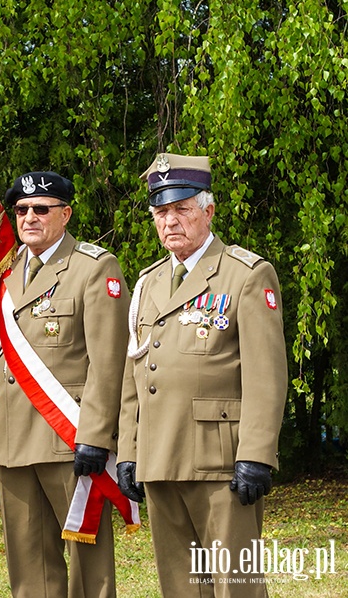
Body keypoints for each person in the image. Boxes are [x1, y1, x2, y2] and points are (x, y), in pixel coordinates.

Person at [0, 171, 129, 598]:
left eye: (41, 209)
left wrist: (97, 436)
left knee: (88, 562)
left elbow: (109, 360)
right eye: (21, 210)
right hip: (12, 439)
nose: (29, 217)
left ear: (65, 214)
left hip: (71, 438)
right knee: (28, 566)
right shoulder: (2, 273)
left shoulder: (94, 268)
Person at [116, 153, 288, 596]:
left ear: (208, 211)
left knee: (235, 584)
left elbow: (266, 376)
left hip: (220, 462)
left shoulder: (245, 275)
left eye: (181, 209)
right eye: (161, 212)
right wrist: (128, 451)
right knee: (180, 584)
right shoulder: (148, 283)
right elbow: (135, 372)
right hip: (159, 457)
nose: (170, 222)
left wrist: (256, 454)